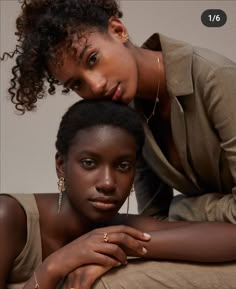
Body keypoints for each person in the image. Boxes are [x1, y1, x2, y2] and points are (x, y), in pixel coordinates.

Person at [1, 0, 236, 287]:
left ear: (118, 30)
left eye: (92, 59)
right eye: (77, 84)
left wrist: (182, 211)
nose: (95, 86)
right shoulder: (130, 114)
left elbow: (168, 221)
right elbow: (157, 220)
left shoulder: (216, 80)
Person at [1, 99, 236, 289]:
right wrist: (52, 267)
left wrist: (120, 245)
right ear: (61, 164)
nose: (107, 183)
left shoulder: (112, 228)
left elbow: (229, 237)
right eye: (89, 163)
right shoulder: (8, 216)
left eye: (123, 166)